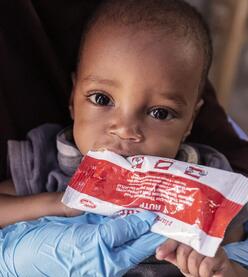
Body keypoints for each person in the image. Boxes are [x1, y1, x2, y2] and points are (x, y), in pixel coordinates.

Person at [1, 0, 248, 276]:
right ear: (73, 99)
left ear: (190, 120)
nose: (126, 129)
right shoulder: (46, 163)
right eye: (101, 98)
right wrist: (58, 203)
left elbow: (234, 245)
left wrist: (222, 267)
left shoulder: (207, 178)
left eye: (159, 112)